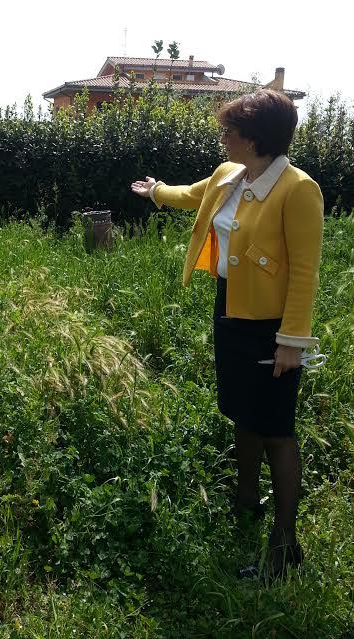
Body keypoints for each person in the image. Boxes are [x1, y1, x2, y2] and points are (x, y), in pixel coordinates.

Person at [131, 89, 324, 580]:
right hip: (231, 310)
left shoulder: (298, 190)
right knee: (242, 410)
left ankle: (284, 545)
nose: (221, 137)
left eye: (228, 131)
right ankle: (245, 503)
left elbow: (305, 272)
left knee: (277, 428)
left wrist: (291, 341)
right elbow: (191, 196)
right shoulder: (229, 175)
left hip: (272, 326)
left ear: (254, 139)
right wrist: (155, 190)